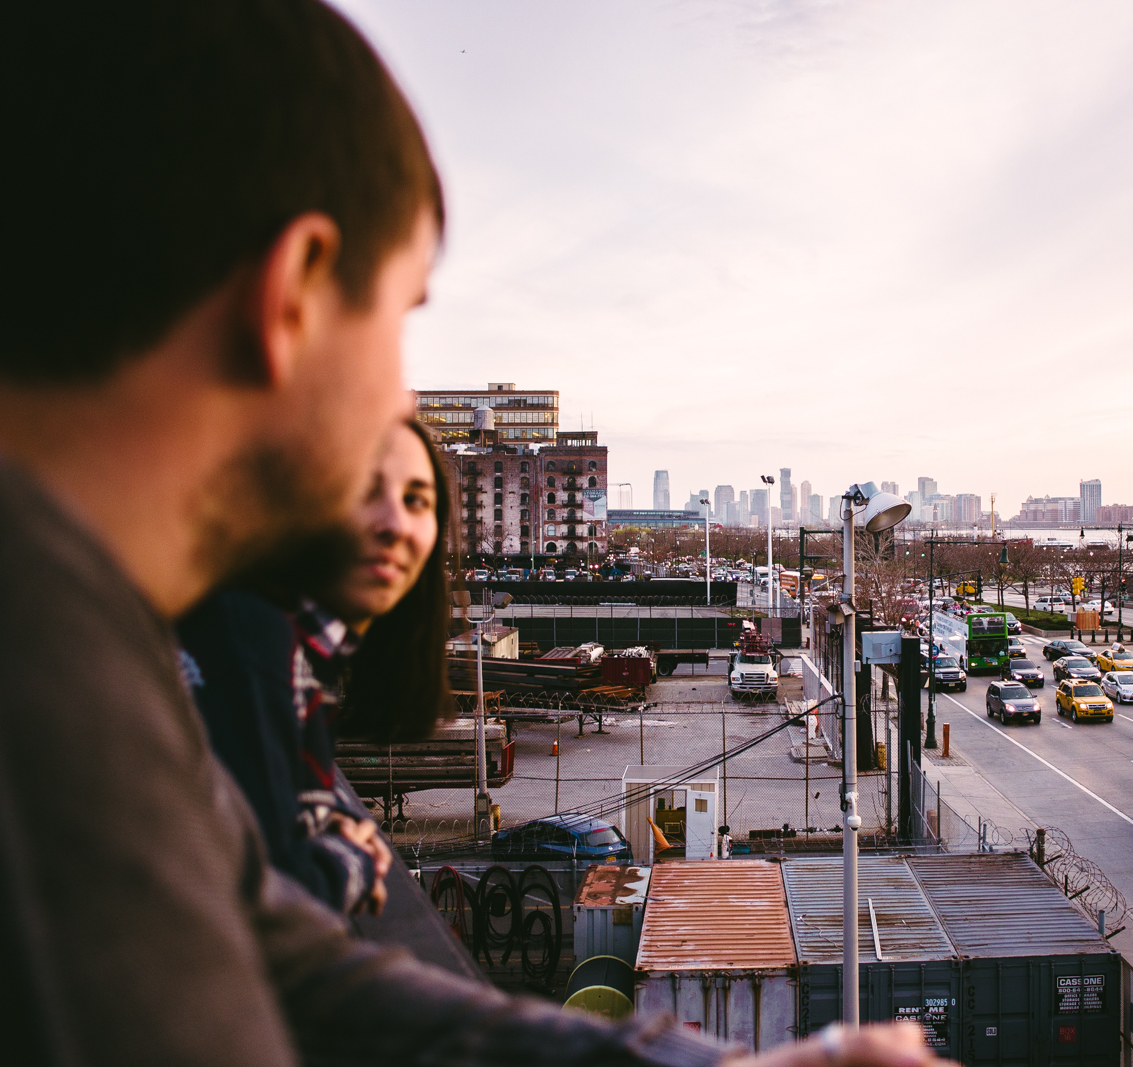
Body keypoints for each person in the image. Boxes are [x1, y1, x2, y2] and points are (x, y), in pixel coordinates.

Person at [0, 5, 933, 1067]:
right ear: (293, 295)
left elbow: (293, 961)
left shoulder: (103, 637)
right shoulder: (43, 677)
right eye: (399, 314)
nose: (398, 399)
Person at [178, 419, 452, 917]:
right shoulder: (249, 641)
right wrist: (355, 858)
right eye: (363, 489)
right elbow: (272, 902)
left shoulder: (278, 644)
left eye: (418, 500)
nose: (395, 523)